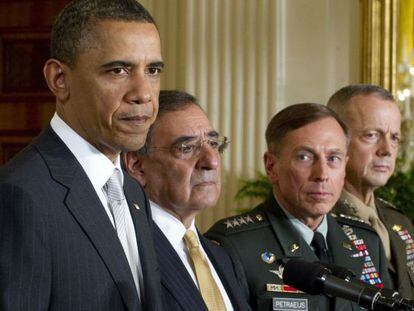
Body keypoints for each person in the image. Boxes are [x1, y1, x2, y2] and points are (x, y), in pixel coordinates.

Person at [0, 1, 164, 310]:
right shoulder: (19, 196)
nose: (143, 93)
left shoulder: (131, 192)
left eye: (152, 70)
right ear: (59, 79)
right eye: (119, 70)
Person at [206, 103, 391, 310]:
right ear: (271, 166)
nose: (322, 174)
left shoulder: (367, 240)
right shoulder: (233, 246)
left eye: (333, 159)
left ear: (344, 167)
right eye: (304, 157)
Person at [124, 90, 250, 311]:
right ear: (138, 165)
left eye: (213, 143)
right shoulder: (124, 251)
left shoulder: (223, 257)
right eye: (187, 148)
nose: (211, 161)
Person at [328, 84, 414, 298]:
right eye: (372, 135)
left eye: (394, 137)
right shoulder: (319, 221)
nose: (387, 149)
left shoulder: (399, 222)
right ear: (337, 139)